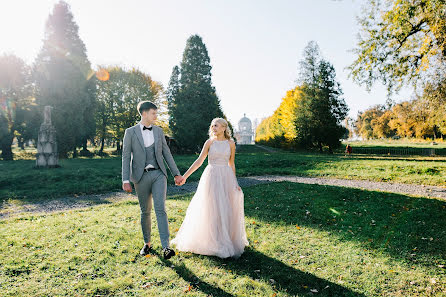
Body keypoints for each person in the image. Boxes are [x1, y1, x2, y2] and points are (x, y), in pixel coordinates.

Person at [170, 118, 249, 258]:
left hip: (226, 177)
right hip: (211, 176)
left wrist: (235, 183)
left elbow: (232, 164)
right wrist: (185, 176)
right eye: (212, 125)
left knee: (225, 207)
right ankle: (211, 239)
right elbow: (199, 161)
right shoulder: (209, 142)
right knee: (210, 206)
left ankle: (224, 238)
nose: (213, 128)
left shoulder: (231, 143)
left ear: (224, 127)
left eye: (216, 126)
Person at [121, 101, 183, 259]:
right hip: (140, 177)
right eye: (153, 113)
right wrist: (125, 179)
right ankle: (147, 243)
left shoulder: (159, 131)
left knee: (160, 209)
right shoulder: (130, 132)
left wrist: (176, 174)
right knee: (145, 211)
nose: (156, 116)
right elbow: (126, 156)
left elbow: (167, 154)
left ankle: (166, 247)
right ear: (144, 113)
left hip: (158, 174)